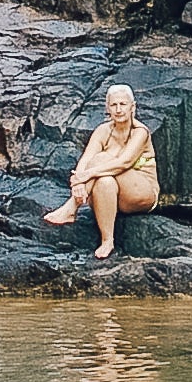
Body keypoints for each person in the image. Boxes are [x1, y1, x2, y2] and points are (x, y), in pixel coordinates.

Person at [43, 84, 161, 258]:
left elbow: (124, 162)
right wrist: (78, 182)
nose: (119, 109)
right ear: (108, 108)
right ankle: (107, 240)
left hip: (141, 193)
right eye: (114, 105)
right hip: (112, 196)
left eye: (123, 104)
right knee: (104, 181)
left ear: (132, 107)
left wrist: (86, 175)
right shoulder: (102, 131)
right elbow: (85, 159)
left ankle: (71, 207)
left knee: (101, 159)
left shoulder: (140, 132)